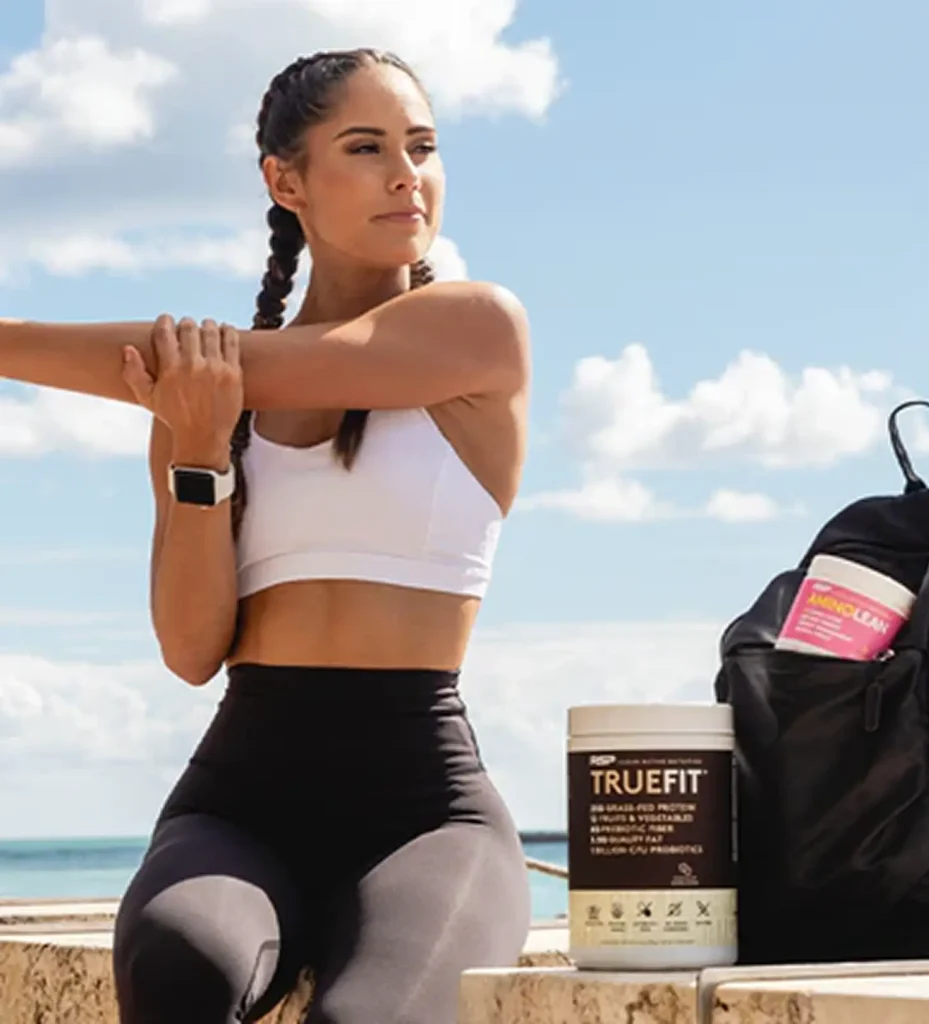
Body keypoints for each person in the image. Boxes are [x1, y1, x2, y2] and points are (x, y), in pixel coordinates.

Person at [2, 48, 533, 1023]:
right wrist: (200, 452)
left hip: (422, 807)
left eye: (421, 146)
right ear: (284, 181)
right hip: (241, 794)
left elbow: (187, 359)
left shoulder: (475, 330)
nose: (405, 173)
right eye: (365, 147)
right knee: (179, 971)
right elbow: (192, 648)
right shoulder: (206, 401)